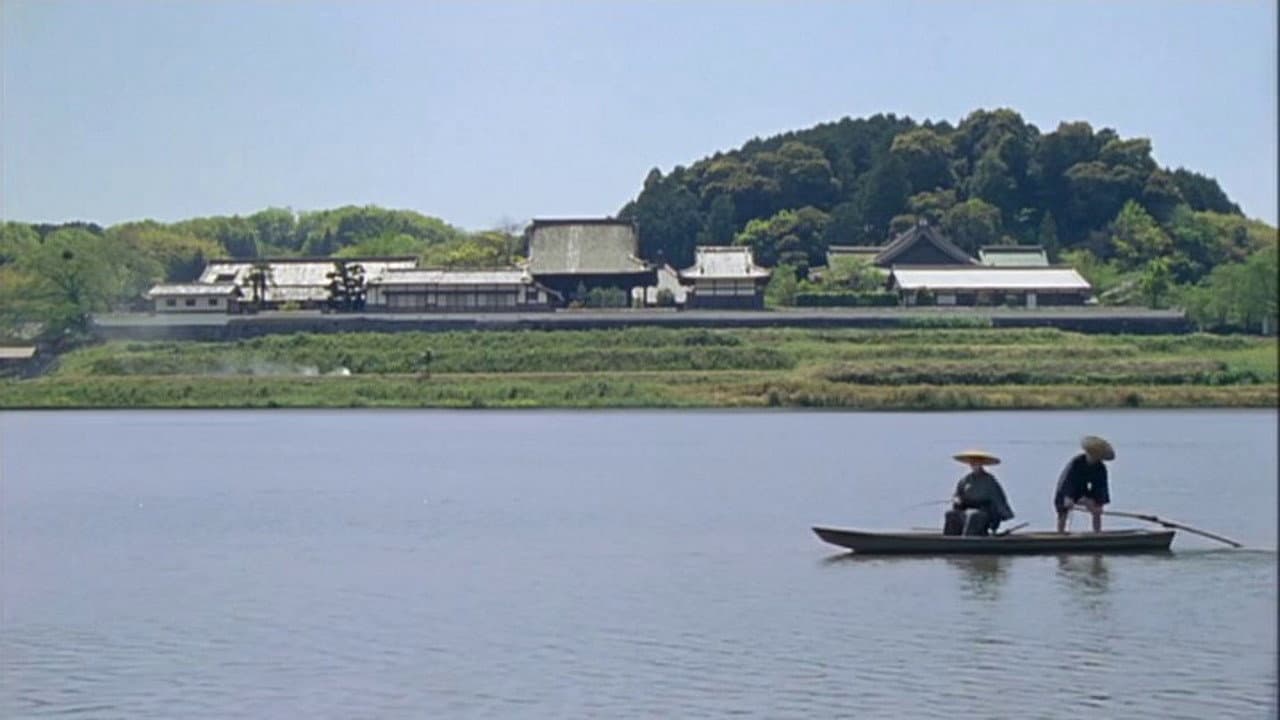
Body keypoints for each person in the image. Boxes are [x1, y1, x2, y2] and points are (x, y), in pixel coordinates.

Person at [944, 450, 1015, 536]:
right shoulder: (966, 480)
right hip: (965, 509)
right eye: (972, 462)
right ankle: (949, 539)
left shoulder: (989, 481)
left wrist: (999, 518)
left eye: (977, 462)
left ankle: (967, 540)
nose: (974, 464)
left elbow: (998, 500)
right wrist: (956, 499)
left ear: (981, 464)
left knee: (973, 515)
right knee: (951, 514)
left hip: (984, 512)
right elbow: (957, 495)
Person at [1054, 435, 1114, 533]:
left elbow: (1101, 487)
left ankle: (1097, 534)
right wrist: (1068, 497)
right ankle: (1060, 534)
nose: (1093, 458)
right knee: (1063, 512)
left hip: (1083, 490)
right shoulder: (1076, 463)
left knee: (1096, 509)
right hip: (1066, 490)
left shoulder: (1100, 468)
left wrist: (1099, 503)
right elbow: (1067, 481)